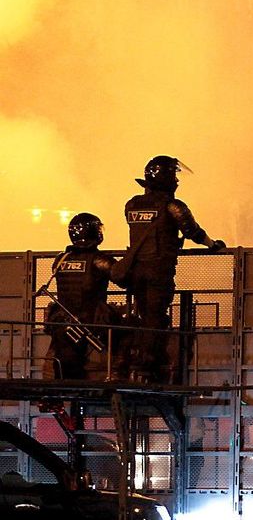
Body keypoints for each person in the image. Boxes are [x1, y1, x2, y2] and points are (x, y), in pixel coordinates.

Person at [121, 156, 225, 383]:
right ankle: (148, 369)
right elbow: (193, 231)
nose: (177, 180)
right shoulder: (172, 206)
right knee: (156, 319)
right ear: (167, 178)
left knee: (144, 315)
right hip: (159, 271)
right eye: (174, 175)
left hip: (135, 272)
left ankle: (137, 363)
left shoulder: (132, 205)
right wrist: (213, 245)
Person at [43, 213, 117, 379]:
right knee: (125, 333)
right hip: (91, 321)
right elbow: (123, 277)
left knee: (63, 360)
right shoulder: (99, 260)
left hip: (63, 321)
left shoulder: (61, 260)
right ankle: (118, 372)